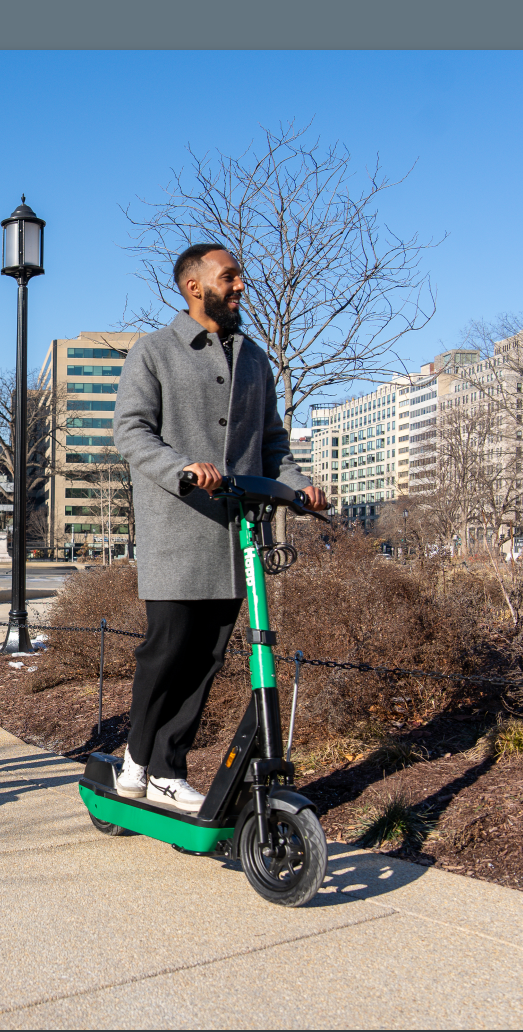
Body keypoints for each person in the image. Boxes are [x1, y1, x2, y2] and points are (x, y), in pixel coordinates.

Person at [112, 243, 329, 809]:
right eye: (228, 276)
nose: (238, 286)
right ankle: (138, 754)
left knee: (208, 659)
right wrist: (182, 468)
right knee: (167, 651)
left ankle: (166, 767)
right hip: (177, 531)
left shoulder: (255, 360)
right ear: (193, 286)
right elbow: (132, 433)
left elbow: (274, 443)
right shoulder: (154, 351)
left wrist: (297, 485)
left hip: (237, 539)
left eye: (239, 277)